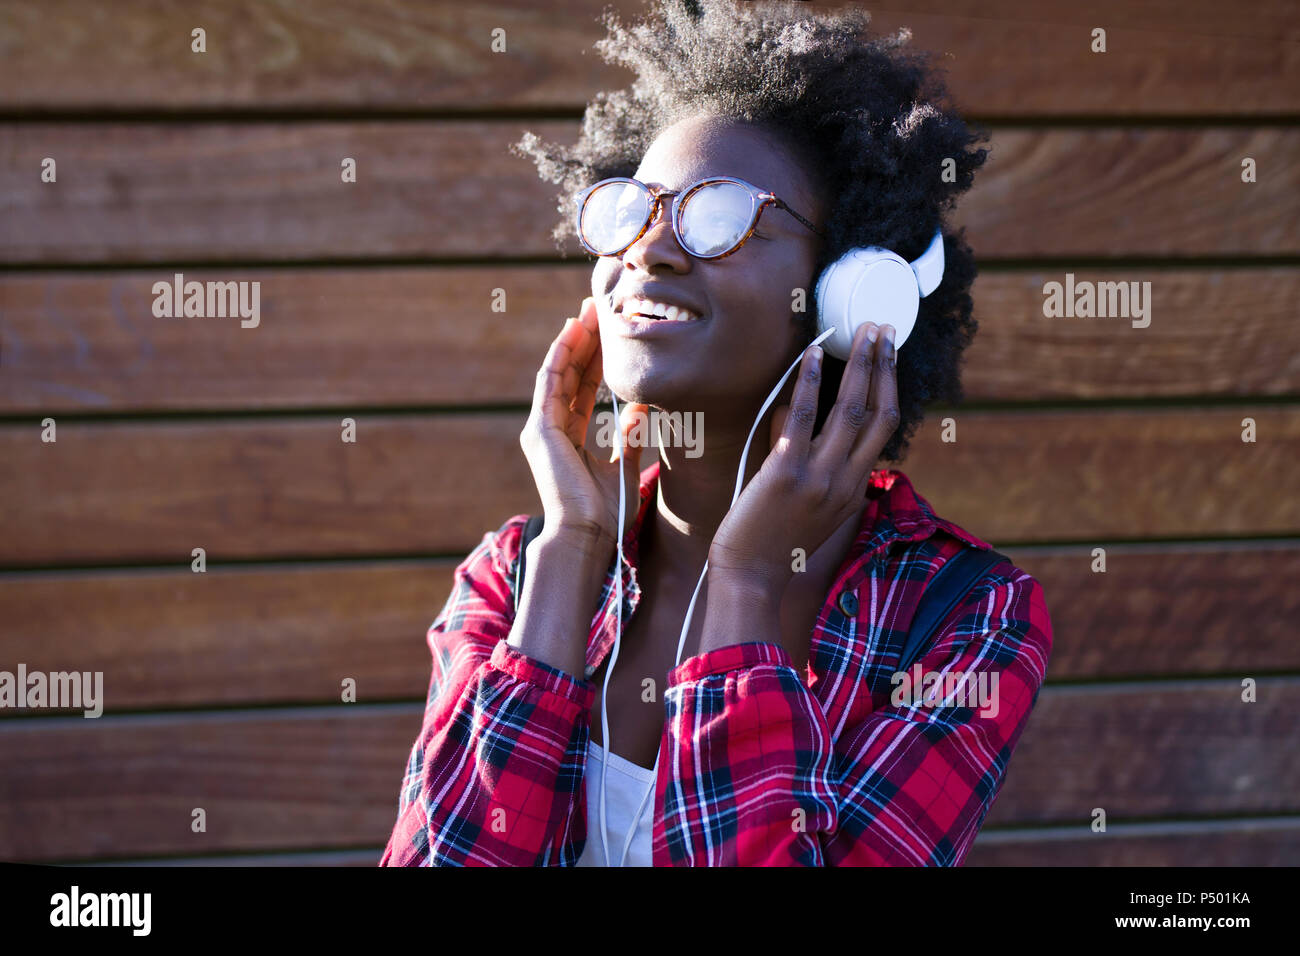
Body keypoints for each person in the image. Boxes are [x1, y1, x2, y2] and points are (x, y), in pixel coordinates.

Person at [381, 0, 1052, 867]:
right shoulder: (510, 581)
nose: (649, 250)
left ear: (854, 295)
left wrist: (746, 587)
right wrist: (571, 552)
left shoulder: (965, 617)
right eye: (634, 209)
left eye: (718, 213)